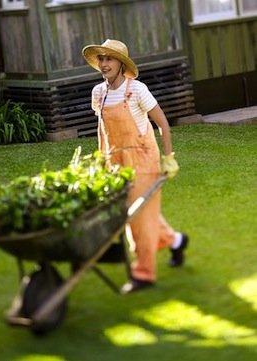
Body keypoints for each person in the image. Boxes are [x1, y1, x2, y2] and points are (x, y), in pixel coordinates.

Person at [82, 39, 189, 294]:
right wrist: (100, 159)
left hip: (143, 161)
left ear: (121, 64)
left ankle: (143, 274)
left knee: (137, 218)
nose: (104, 63)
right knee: (137, 213)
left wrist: (168, 157)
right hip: (114, 161)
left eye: (109, 59)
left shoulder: (137, 90)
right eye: (101, 59)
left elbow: (163, 123)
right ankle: (176, 241)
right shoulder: (99, 93)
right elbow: (102, 130)